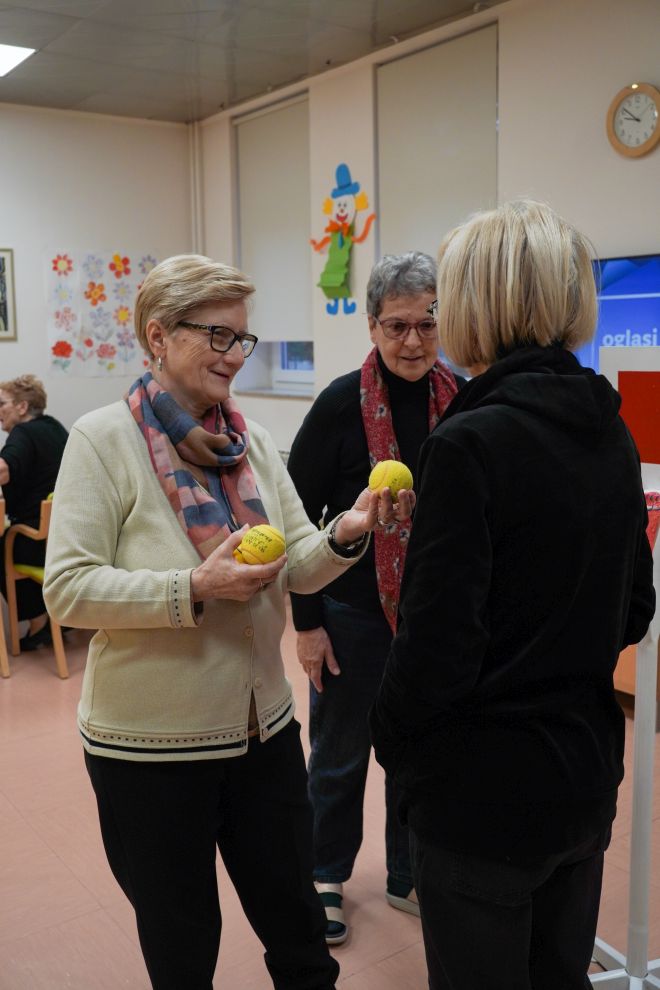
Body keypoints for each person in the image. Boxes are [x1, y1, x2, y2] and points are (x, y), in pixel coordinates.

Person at [42, 254, 408, 990]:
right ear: (158, 336)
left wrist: (348, 532)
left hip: (265, 735)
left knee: (301, 936)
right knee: (184, 949)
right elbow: (69, 589)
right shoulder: (102, 440)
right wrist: (192, 588)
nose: (235, 357)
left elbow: (300, 561)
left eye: (242, 339)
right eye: (217, 336)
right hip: (149, 751)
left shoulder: (252, 441)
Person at [370, 201, 656, 990]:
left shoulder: (467, 442)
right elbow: (636, 606)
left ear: (474, 303)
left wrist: (392, 744)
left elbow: (435, 649)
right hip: (584, 776)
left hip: (481, 801)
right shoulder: (612, 429)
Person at [287, 252, 462, 944]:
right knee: (338, 754)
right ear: (371, 325)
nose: (413, 341)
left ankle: (407, 873)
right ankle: (324, 875)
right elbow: (296, 521)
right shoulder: (338, 403)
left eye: (426, 323)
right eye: (397, 326)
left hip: (433, 616)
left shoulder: (465, 395)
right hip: (352, 613)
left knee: (417, 750)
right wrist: (307, 626)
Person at [0, 374, 68, 650]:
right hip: (62, 540)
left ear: (22, 407)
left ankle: (40, 622)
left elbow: (4, 469)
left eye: (2, 404)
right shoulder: (54, 427)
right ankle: (57, 616)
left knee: (3, 546)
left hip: (33, 543)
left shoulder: (22, 432)